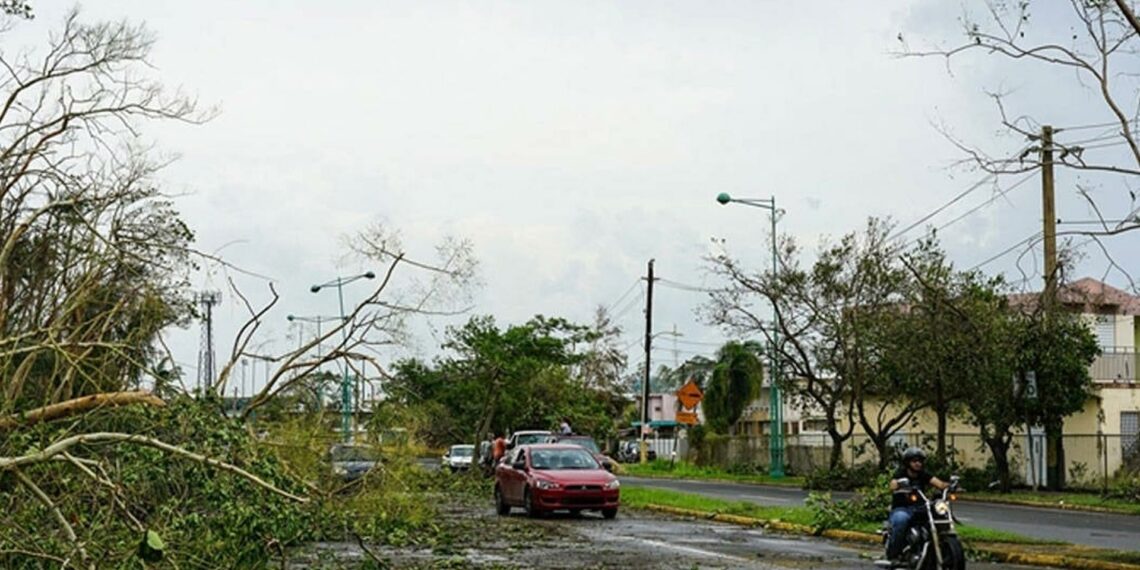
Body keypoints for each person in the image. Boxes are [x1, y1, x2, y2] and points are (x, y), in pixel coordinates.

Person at [885, 447, 949, 564]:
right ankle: (893, 555)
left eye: (920, 461)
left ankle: (938, 550)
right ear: (908, 463)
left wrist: (950, 486)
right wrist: (898, 484)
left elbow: (939, 483)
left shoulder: (923, 474)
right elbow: (892, 484)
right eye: (915, 461)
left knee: (938, 518)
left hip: (920, 507)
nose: (918, 464)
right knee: (901, 521)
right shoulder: (901, 473)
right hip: (902, 508)